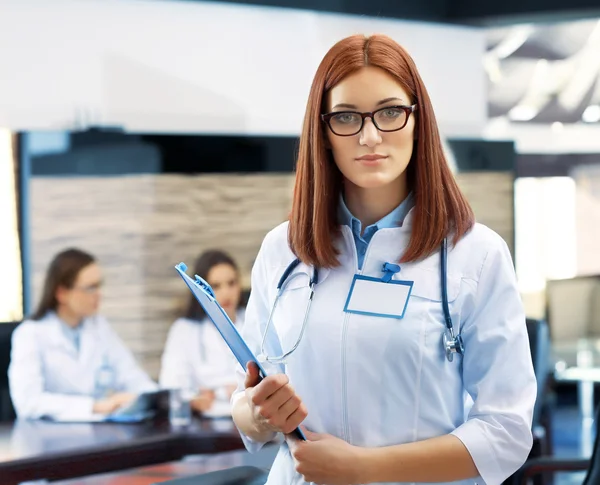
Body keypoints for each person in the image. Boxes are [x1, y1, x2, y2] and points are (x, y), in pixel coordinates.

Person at [230, 34, 536, 485]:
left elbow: (507, 432)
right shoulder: (283, 249)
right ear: (323, 131)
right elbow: (247, 397)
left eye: (390, 112)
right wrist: (256, 415)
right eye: (347, 117)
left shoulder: (477, 255)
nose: (370, 136)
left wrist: (365, 469)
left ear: (418, 120)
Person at [9, 248, 157, 421]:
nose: (99, 294)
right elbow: (28, 402)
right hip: (48, 439)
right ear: (62, 293)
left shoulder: (99, 327)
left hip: (97, 432)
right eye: (90, 288)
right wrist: (95, 406)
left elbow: (131, 376)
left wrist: (147, 398)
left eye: (99, 286)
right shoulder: (30, 334)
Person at [160, 249, 245, 415]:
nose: (226, 293)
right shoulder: (184, 330)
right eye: (216, 286)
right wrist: (195, 398)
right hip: (205, 423)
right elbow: (172, 385)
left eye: (231, 283)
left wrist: (215, 391)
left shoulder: (254, 321)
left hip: (253, 421)